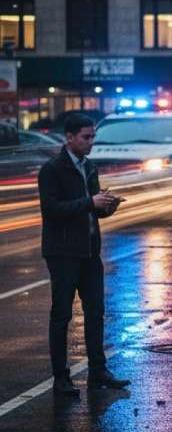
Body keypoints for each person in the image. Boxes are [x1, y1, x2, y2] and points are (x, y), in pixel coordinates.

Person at [38, 113, 128, 397]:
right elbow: (52, 210)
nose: (91, 142)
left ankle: (98, 371)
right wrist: (90, 201)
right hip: (63, 252)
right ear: (70, 137)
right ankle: (61, 377)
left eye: (92, 137)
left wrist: (107, 206)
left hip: (89, 251)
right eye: (86, 137)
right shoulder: (52, 169)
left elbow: (92, 210)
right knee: (62, 315)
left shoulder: (89, 167)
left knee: (96, 312)